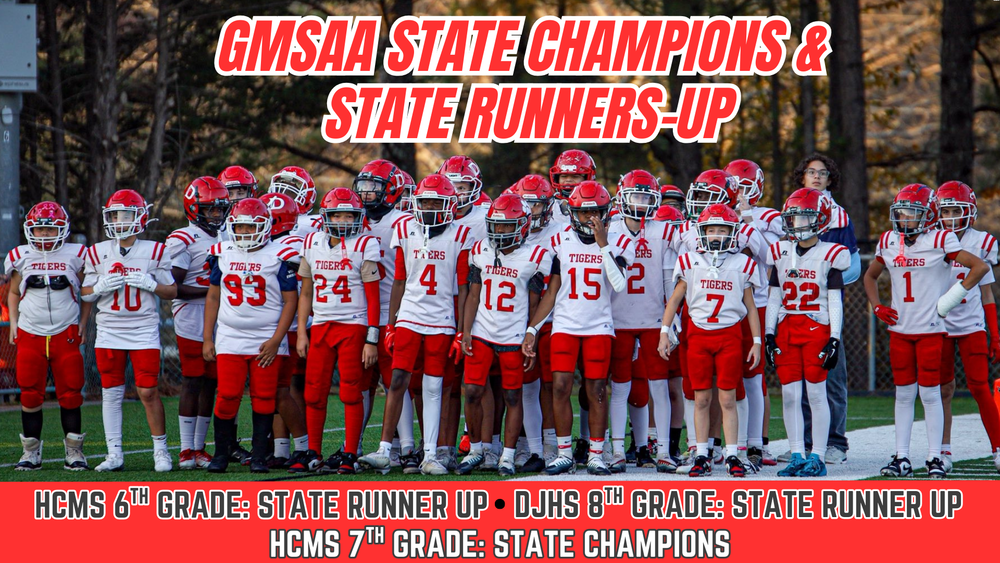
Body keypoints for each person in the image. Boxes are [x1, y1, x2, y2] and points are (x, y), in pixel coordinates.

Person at [864, 183, 988, 478]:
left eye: (912, 214)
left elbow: (979, 267)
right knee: (903, 394)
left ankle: (934, 457)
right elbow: (870, 276)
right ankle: (902, 456)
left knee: (930, 394)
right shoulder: (889, 240)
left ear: (929, 215)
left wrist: (951, 298)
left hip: (932, 330)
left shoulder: (941, 239)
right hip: (900, 330)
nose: (905, 219)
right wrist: (877, 306)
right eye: (902, 213)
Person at [359, 174, 473, 475]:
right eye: (425, 201)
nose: (431, 207)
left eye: (437, 201)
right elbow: (399, 279)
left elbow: (463, 288)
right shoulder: (405, 228)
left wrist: (461, 330)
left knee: (434, 385)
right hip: (410, 313)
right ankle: (385, 448)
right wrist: (392, 323)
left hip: (442, 319)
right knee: (397, 380)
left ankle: (431, 453)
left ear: (449, 205)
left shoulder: (460, 234)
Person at [522, 181, 635, 476]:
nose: (589, 218)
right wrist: (533, 329)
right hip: (565, 324)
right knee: (559, 387)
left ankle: (597, 453)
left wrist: (602, 244)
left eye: (594, 212)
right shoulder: (560, 240)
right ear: (573, 213)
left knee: (596, 390)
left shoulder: (618, 242)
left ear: (605, 213)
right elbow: (553, 290)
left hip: (599, 324)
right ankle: (563, 452)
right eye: (583, 213)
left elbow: (619, 284)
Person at [657, 203, 762, 478]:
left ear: (733, 232)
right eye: (711, 229)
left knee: (728, 398)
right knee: (701, 398)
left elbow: (750, 307)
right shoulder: (690, 260)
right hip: (699, 336)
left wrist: (757, 341)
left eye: (722, 229)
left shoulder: (743, 263)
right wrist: (664, 332)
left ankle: (732, 454)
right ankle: (701, 453)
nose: (716, 235)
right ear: (701, 232)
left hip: (729, 335)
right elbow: (675, 301)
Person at [82, 189, 178, 472]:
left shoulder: (156, 250)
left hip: (143, 329)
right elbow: (86, 293)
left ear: (141, 217)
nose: (119, 220)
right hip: (109, 330)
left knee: (147, 390)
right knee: (111, 392)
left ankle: (161, 451)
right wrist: (99, 287)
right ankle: (114, 454)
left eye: (126, 214)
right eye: (114, 215)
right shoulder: (97, 251)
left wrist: (151, 285)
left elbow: (171, 290)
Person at [203, 198, 299, 473]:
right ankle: (221, 454)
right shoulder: (223, 252)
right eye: (240, 226)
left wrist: (277, 339)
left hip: (266, 337)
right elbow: (213, 296)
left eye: (250, 226)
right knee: (228, 395)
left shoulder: (279, 255)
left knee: (265, 396)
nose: (244, 232)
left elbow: (290, 301)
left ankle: (259, 456)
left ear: (265, 226)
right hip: (231, 336)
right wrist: (208, 337)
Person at [459, 193, 551, 476]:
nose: (499, 231)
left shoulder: (536, 256)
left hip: (512, 337)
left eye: (506, 225)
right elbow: (473, 295)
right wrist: (466, 331)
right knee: (472, 390)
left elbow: (535, 303)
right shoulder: (480, 250)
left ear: (522, 226)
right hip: (483, 331)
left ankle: (507, 456)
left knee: (513, 397)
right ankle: (476, 450)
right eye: (496, 225)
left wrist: (530, 336)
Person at [765, 188, 850, 478]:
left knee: (816, 394)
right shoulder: (779, 251)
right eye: (794, 218)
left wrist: (835, 337)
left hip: (817, 328)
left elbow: (835, 299)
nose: (798, 223)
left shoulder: (832, 253)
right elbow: (774, 297)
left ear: (820, 219)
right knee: (789, 395)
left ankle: (818, 456)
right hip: (787, 328)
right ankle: (797, 453)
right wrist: (768, 333)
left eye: (804, 217)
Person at [298, 188, 382, 474]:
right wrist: (300, 332)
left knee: (350, 392)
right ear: (326, 216)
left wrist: (372, 339)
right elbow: (306, 291)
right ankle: (313, 452)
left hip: (353, 324)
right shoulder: (312, 242)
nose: (344, 220)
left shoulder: (366, 244)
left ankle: (349, 453)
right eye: (338, 214)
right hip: (321, 325)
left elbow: (373, 298)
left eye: (350, 215)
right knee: (313, 392)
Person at [785, 154, 861, 465]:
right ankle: (802, 444)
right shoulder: (791, 209)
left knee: (830, 379)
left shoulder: (839, 216)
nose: (816, 177)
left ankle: (836, 443)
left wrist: (824, 279)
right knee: (798, 382)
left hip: (825, 310)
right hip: (793, 310)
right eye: (811, 172)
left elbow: (854, 267)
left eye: (823, 173)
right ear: (801, 177)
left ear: (831, 179)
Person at [6, 202, 89, 471]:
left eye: (49, 230)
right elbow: (14, 291)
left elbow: (86, 292)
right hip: (31, 331)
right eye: (39, 229)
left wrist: (84, 323)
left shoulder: (76, 255)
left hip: (65, 330)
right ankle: (30, 452)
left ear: (62, 230)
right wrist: (13, 323)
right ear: (30, 230)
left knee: (71, 391)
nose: (44, 235)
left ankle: (74, 451)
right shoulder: (21, 255)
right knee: (29, 392)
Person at [608, 170, 678, 473]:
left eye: (645, 197)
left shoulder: (663, 231)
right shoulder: (608, 231)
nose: (639, 203)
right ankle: (616, 451)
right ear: (622, 197)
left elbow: (668, 279)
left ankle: (663, 450)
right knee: (620, 387)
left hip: (653, 319)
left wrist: (669, 323)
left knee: (659, 386)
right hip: (618, 318)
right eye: (634, 196)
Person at [353, 159, 417, 472]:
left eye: (374, 187)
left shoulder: (404, 221)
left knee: (397, 381)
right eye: (363, 186)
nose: (366, 193)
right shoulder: (351, 218)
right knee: (362, 384)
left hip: (394, 311)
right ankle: (354, 445)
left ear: (391, 190)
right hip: (359, 313)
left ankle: (406, 447)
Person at [934, 181, 1000, 473]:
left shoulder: (982, 242)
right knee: (943, 389)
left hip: (972, 324)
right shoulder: (932, 240)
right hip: (939, 325)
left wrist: (994, 334)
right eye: (944, 211)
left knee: (979, 387)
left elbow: (987, 294)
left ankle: (998, 447)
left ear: (969, 212)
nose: (948, 217)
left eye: (954, 210)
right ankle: (943, 450)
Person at [166, 177, 231, 469]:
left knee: (212, 383)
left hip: (222, 320)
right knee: (192, 381)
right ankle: (185, 449)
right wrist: (212, 292)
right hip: (191, 318)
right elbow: (173, 286)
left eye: (221, 209)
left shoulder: (227, 235)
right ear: (194, 208)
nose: (217, 215)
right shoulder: (184, 238)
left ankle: (200, 448)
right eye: (211, 209)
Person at [726, 159, 783, 468]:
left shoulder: (766, 217)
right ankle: (723, 443)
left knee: (754, 376)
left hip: (756, 301)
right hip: (721, 302)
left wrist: (746, 220)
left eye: (745, 188)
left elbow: (771, 256)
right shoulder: (717, 213)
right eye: (735, 188)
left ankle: (757, 444)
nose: (739, 194)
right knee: (723, 375)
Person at [513, 174, 565, 469]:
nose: (531, 210)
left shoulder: (561, 232)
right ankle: (532, 448)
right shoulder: (508, 227)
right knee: (526, 386)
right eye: (525, 204)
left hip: (555, 317)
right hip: (517, 317)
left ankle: (551, 445)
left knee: (552, 384)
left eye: (536, 204)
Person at [259, 192, 311, 471]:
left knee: (285, 389)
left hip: (288, 326)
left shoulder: (288, 246)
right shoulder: (279, 243)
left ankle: (303, 448)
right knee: (278, 390)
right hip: (274, 324)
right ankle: (281, 449)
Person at [270, 165, 322, 238]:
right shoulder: (264, 216)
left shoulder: (311, 223)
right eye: (280, 190)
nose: (282, 196)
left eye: (290, 192)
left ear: (308, 197)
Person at [549, 149, 597, 224]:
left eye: (575, 176)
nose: (568, 180)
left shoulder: (601, 209)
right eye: (564, 176)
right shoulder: (548, 210)